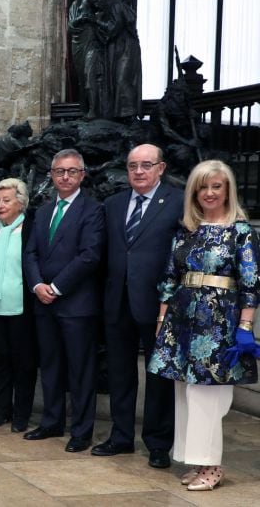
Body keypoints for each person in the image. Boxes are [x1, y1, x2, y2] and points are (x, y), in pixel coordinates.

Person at [149, 160, 258, 491]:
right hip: (181, 319)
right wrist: (161, 319)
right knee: (185, 391)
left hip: (218, 323)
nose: (209, 193)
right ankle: (197, 461)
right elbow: (170, 276)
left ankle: (213, 466)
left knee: (207, 396)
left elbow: (251, 282)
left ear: (227, 190)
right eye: (203, 187)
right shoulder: (188, 229)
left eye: (216, 186)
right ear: (194, 192)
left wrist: (245, 326)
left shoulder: (240, 231)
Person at [95, 144, 182, 468]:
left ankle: (159, 443)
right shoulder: (114, 204)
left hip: (158, 305)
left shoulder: (177, 201)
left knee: (158, 376)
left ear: (160, 168)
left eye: (146, 165)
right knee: (119, 372)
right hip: (117, 301)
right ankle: (120, 437)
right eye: (133, 165)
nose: (139, 171)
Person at [22, 149, 105, 452]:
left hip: (76, 305)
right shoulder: (42, 212)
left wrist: (55, 287)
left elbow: (89, 256)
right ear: (52, 175)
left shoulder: (93, 210)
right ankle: (52, 421)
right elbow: (30, 253)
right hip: (43, 303)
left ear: (82, 174)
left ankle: (81, 431)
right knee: (51, 365)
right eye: (59, 171)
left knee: (80, 371)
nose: (65, 176)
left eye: (72, 171)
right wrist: (37, 285)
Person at [0, 178, 37, 433]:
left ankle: (22, 414)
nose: (0, 206)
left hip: (21, 310)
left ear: (20, 203)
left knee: (23, 364)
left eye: (6, 200)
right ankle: (1, 410)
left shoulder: (30, 229)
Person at [67, 0, 142, 120]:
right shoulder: (80, 4)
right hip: (109, 47)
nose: (97, 5)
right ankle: (108, 112)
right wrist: (87, 19)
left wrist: (94, 21)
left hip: (125, 48)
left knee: (121, 80)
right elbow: (73, 25)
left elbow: (112, 28)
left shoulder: (116, 5)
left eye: (97, 2)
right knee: (103, 79)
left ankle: (127, 115)